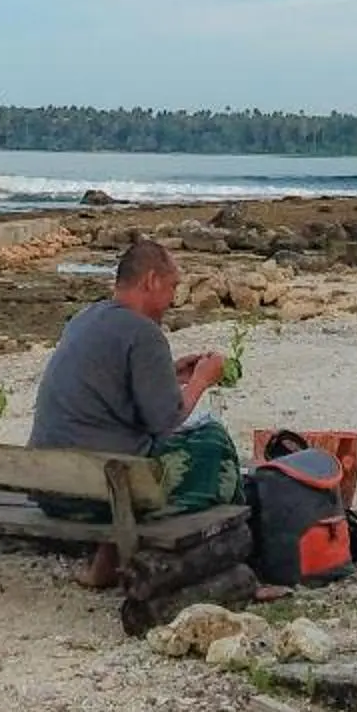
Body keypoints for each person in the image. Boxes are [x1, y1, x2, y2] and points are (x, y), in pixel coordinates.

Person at [27, 239, 240, 586]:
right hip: (97, 496)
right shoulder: (144, 332)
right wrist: (201, 380)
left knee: (139, 456)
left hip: (48, 486)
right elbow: (166, 421)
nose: (173, 298)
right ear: (152, 281)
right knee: (214, 442)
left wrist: (168, 374)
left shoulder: (86, 317)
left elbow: (109, 388)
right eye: (172, 286)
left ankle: (104, 559)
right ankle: (240, 550)